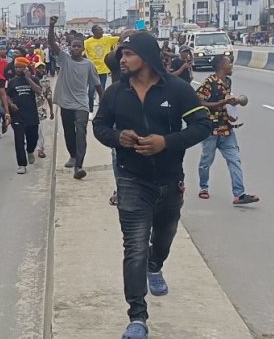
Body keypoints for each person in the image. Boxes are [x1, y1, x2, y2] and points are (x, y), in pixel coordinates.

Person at [92, 32, 213, 339]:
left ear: (146, 57)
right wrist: (118, 137)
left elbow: (203, 125)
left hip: (170, 180)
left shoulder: (177, 89)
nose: (122, 59)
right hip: (131, 180)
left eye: (128, 54)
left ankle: (155, 265)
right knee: (133, 248)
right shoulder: (115, 93)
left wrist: (166, 143)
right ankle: (137, 317)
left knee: (164, 236)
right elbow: (100, 126)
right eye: (122, 54)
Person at [196, 56, 259, 205]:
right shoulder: (209, 82)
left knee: (234, 160)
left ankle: (239, 194)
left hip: (226, 128)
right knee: (206, 161)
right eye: (229, 63)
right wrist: (222, 102)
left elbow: (226, 103)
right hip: (211, 129)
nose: (231, 65)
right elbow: (199, 101)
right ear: (221, 66)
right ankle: (203, 187)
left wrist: (231, 110)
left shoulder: (228, 82)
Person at [48, 16, 103, 179]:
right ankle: (73, 155)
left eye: (79, 46)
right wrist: (51, 25)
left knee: (81, 133)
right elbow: (51, 42)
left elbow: (98, 85)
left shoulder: (88, 65)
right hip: (65, 103)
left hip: (81, 104)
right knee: (68, 132)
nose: (76, 48)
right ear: (70, 48)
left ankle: (79, 166)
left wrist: (105, 102)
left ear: (83, 49)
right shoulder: (64, 59)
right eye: (74, 46)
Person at [6, 57, 43, 174]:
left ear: (26, 68)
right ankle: (21, 165)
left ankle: (30, 151)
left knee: (33, 139)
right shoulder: (12, 82)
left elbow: (38, 91)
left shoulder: (34, 79)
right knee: (19, 140)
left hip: (31, 115)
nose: (18, 69)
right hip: (17, 116)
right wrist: (11, 104)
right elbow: (6, 96)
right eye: (16, 67)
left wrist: (28, 78)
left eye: (21, 67)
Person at [84, 25, 119, 114]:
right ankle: (90, 111)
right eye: (100, 30)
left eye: (102, 29)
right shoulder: (87, 42)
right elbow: (82, 53)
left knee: (102, 92)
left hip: (103, 70)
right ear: (94, 32)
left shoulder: (107, 39)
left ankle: (101, 111)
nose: (102, 31)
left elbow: (121, 38)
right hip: (92, 71)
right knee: (91, 92)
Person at [33, 62, 54, 159]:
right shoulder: (31, 79)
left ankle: (40, 148)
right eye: (38, 68)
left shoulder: (46, 82)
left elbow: (49, 96)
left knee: (41, 129)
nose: (41, 70)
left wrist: (52, 110)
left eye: (42, 68)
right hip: (29, 108)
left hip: (40, 108)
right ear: (35, 69)